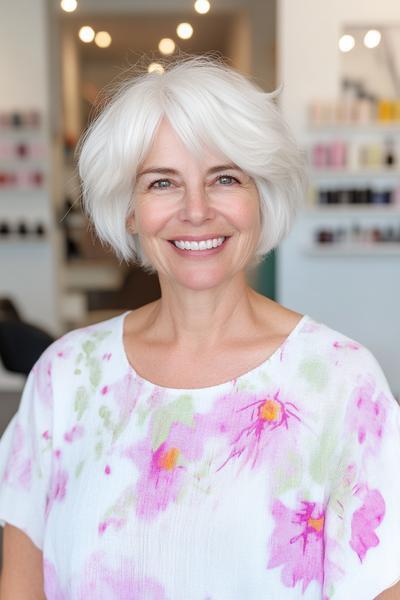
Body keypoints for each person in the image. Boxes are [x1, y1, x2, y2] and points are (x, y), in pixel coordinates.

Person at [0, 56, 399, 600]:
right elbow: (21, 587)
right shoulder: (66, 377)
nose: (196, 210)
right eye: (162, 182)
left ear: (261, 196)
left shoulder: (343, 386)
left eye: (225, 178)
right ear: (130, 210)